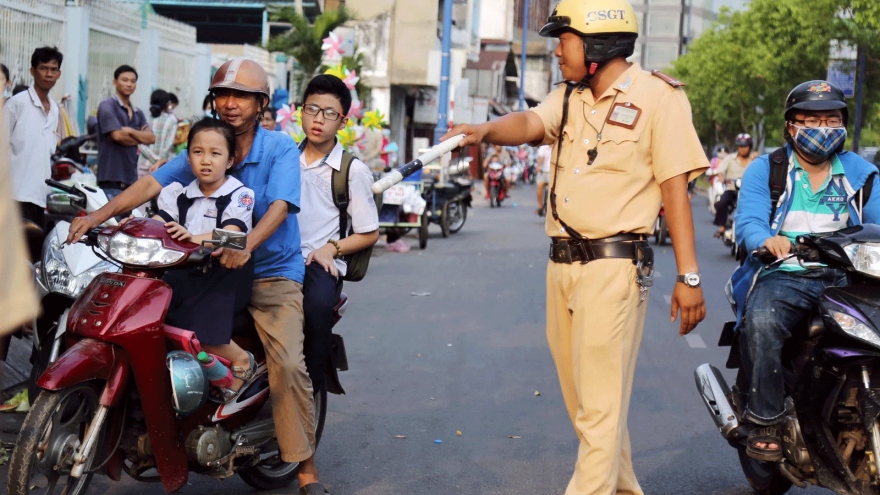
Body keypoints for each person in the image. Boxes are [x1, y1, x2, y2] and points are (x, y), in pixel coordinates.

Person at [442, 0, 707, 492]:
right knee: (589, 407)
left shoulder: (658, 98)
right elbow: (529, 124)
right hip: (561, 266)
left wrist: (689, 276)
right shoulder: (569, 95)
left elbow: (674, 189)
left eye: (563, 40)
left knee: (600, 409)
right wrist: (483, 132)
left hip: (614, 267)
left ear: (597, 45)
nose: (556, 51)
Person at [67, 58, 323, 494]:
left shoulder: (278, 148)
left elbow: (279, 208)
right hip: (203, 268)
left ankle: (304, 465)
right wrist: (98, 215)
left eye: (241, 96)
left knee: (286, 363)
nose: (230, 103)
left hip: (269, 273)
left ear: (261, 103)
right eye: (223, 94)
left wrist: (244, 247)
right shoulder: (207, 143)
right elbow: (151, 185)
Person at [730, 80, 880, 462]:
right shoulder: (767, 169)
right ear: (790, 126)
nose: (822, 128)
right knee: (762, 320)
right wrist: (766, 240)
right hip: (786, 273)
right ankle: (765, 419)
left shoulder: (863, 173)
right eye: (810, 120)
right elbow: (749, 221)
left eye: (831, 119)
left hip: (849, 278)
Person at [154, 118, 257, 401]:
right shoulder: (176, 195)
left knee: (193, 323)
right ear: (188, 158)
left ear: (230, 160)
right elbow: (157, 224)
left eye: (215, 153)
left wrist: (191, 236)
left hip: (224, 275)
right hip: (183, 273)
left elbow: (234, 236)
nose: (206, 160)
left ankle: (241, 361)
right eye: (198, 152)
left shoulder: (240, 195)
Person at [297, 74, 379, 397]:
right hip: (280, 258)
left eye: (329, 113)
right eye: (312, 109)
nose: (318, 119)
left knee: (316, 310)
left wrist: (329, 249)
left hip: (320, 265)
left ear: (342, 121)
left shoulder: (352, 171)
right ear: (300, 111)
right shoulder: (285, 159)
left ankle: (308, 395)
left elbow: (368, 232)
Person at [3, 46, 63, 228]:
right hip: (12, 196)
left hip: (38, 198)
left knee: (31, 252)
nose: (49, 74)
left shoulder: (55, 110)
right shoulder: (17, 104)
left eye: (53, 70)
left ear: (59, 74)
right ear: (33, 71)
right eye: (43, 68)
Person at [96, 65, 155, 199]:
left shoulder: (138, 112)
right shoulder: (107, 106)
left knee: (127, 220)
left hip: (131, 180)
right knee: (112, 220)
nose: (129, 84)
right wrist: (139, 137)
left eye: (133, 81)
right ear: (115, 82)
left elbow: (151, 138)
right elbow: (117, 135)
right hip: (111, 179)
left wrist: (128, 131)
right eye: (125, 80)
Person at [713, 133, 754, 237]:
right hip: (732, 189)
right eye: (740, 146)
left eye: (745, 146)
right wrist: (722, 178)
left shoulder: (754, 160)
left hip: (748, 192)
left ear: (750, 146)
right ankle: (722, 227)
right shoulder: (729, 158)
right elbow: (721, 171)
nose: (743, 149)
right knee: (722, 202)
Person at [137, 89, 178, 177]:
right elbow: (168, 145)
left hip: (143, 165)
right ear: (167, 104)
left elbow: (139, 143)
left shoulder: (144, 118)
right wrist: (158, 160)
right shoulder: (172, 121)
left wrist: (153, 158)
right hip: (161, 167)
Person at [535, 143, 552, 216]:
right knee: (539, 186)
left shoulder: (559, 146)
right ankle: (540, 206)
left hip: (554, 172)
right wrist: (538, 166)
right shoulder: (543, 147)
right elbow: (540, 158)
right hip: (544, 171)